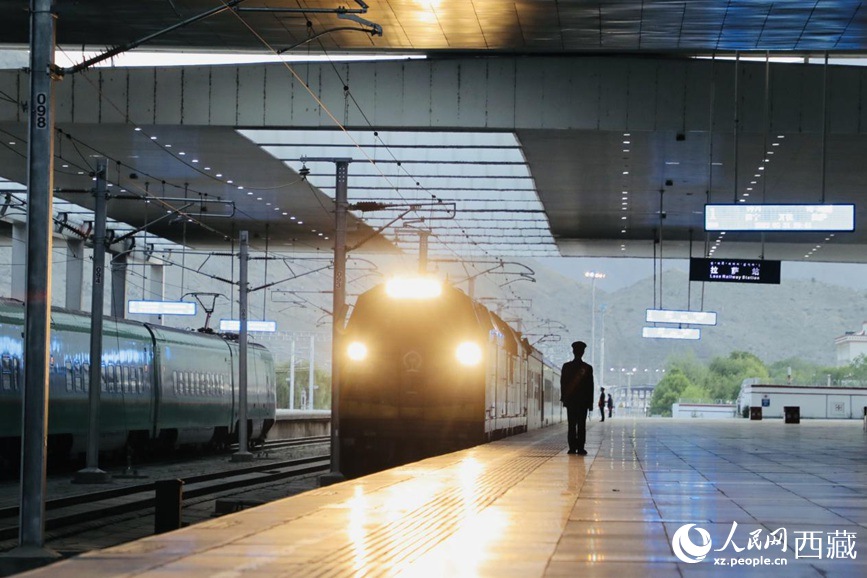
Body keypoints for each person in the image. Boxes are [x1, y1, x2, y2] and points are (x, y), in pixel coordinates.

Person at [560, 341, 594, 455]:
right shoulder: (588, 368)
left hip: (571, 402)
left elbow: (563, 384)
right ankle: (580, 448)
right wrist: (590, 403)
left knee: (571, 425)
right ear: (583, 352)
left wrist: (564, 399)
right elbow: (590, 387)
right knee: (581, 425)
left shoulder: (566, 367)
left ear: (573, 351)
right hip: (583, 402)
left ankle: (572, 448)